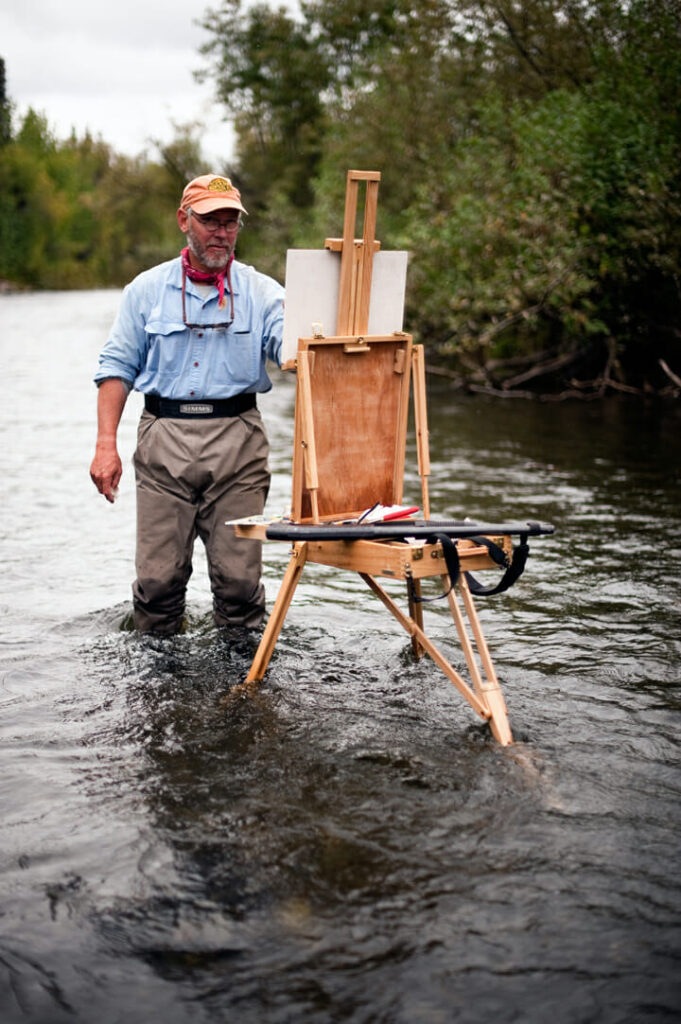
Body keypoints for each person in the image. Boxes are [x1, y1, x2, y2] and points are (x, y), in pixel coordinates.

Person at [90, 173, 284, 634]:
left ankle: (241, 688)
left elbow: (296, 348)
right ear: (184, 220)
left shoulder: (262, 292)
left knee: (239, 587)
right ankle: (159, 686)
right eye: (210, 221)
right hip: (163, 440)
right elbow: (116, 368)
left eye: (230, 222)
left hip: (238, 443)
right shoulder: (145, 290)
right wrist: (105, 445)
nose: (221, 232)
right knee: (157, 588)